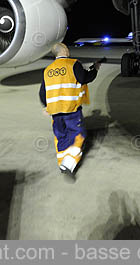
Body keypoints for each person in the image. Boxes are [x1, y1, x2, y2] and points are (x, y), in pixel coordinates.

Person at [39, 43, 101, 178]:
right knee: (78, 135)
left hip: (55, 112)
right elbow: (85, 78)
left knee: (61, 136)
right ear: (65, 51)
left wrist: (46, 106)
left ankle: (61, 162)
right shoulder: (73, 64)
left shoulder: (48, 70)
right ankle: (69, 163)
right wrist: (95, 69)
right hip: (71, 110)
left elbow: (43, 93)